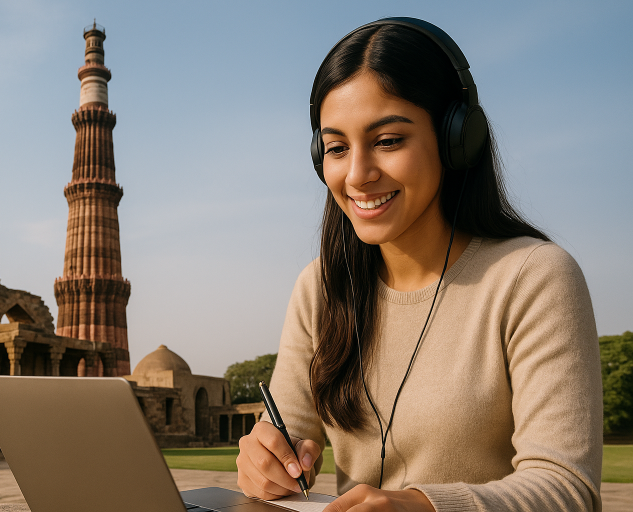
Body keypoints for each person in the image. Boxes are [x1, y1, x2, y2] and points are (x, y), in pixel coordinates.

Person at [235, 18, 602, 512]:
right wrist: (264, 460)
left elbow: (567, 490)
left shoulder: (533, 277)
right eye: (337, 148)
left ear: (456, 138)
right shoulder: (320, 288)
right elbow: (286, 437)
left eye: (387, 140)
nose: (359, 175)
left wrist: (422, 506)